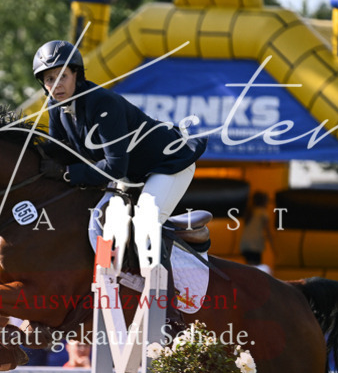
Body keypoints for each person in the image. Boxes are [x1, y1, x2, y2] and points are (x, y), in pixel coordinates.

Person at [32, 40, 207, 248]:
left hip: (168, 164)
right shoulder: (56, 106)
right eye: (50, 79)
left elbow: (115, 166)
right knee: (103, 225)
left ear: (76, 74)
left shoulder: (103, 104)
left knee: (144, 225)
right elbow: (59, 150)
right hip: (131, 174)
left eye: (63, 76)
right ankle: (107, 278)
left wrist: (67, 173)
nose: (56, 85)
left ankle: (162, 280)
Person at [239, 191, 272, 272]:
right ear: (264, 202)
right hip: (255, 244)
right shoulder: (263, 213)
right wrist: (273, 245)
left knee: (249, 266)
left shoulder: (250, 212)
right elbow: (268, 231)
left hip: (245, 243)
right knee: (256, 268)